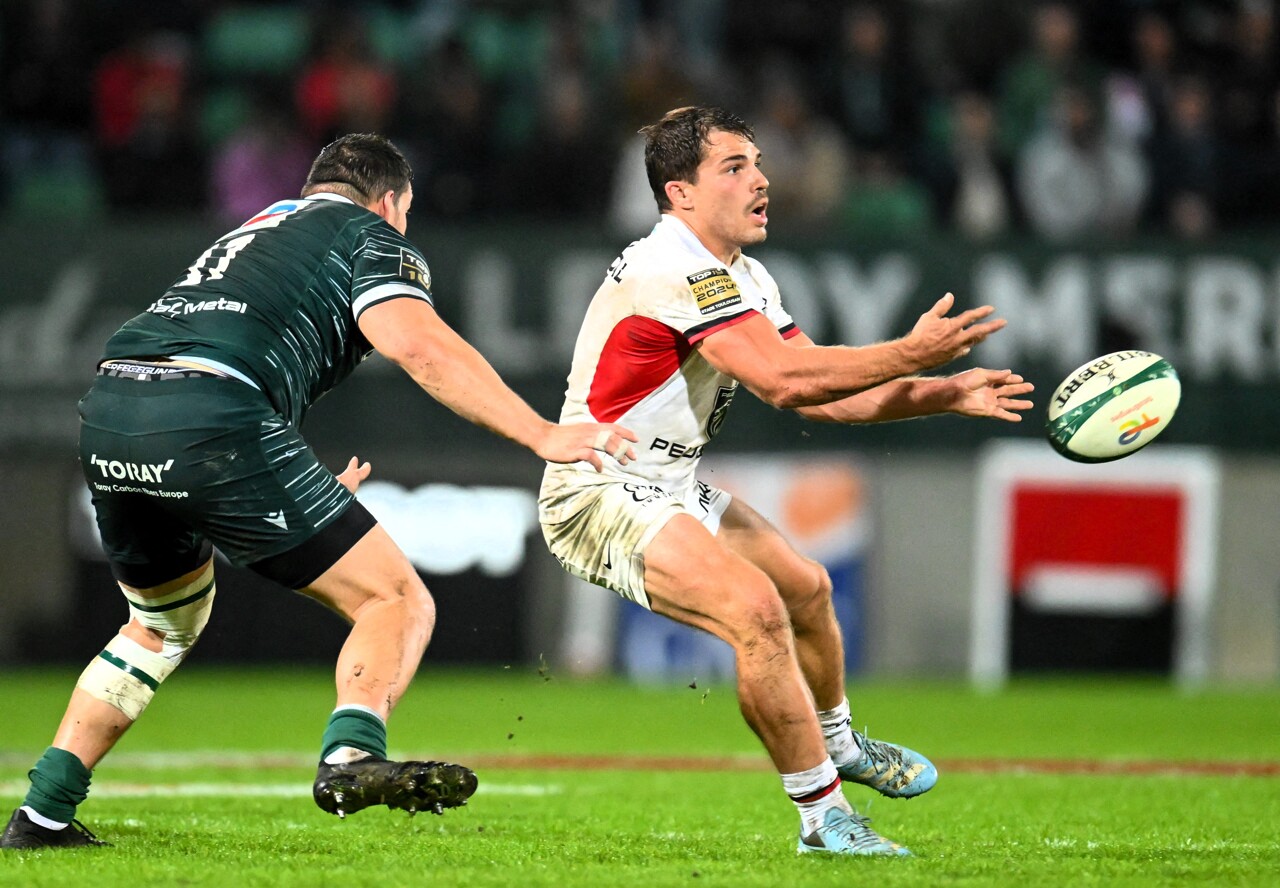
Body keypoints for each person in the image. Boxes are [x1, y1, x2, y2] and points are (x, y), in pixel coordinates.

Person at [1, 133, 637, 850]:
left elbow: (234, 351)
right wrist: (539, 432)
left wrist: (270, 481)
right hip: (213, 416)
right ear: (392, 202)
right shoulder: (369, 233)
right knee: (394, 598)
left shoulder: (256, 229)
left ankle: (44, 812)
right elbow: (415, 342)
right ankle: (352, 754)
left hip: (113, 408)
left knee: (159, 625)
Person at [538, 106, 1034, 858]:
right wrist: (908, 354)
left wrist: (943, 392)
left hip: (666, 478)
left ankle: (836, 744)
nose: (761, 180)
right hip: (597, 487)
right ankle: (822, 821)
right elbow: (785, 381)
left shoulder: (742, 274)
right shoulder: (671, 267)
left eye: (758, 162)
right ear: (681, 195)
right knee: (756, 612)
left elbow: (820, 390)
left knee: (806, 588)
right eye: (734, 168)